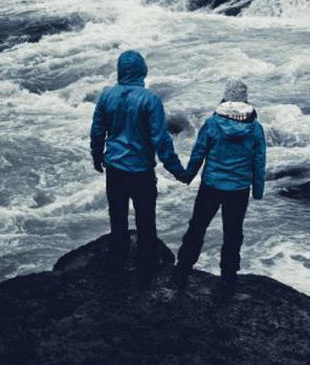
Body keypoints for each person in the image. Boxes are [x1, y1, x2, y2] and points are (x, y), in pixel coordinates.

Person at [90, 50, 186, 278]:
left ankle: (118, 262)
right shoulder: (150, 99)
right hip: (141, 171)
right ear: (142, 70)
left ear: (120, 71)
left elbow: (97, 131)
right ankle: (146, 266)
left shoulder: (106, 96)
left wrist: (96, 156)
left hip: (114, 168)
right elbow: (161, 140)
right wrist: (178, 171)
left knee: (117, 216)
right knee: (145, 219)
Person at [173, 79, 266, 293]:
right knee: (233, 234)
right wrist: (258, 190)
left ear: (225, 98)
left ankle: (182, 269)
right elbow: (259, 161)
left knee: (197, 227)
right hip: (239, 190)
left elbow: (198, 153)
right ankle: (228, 278)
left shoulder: (212, 123)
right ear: (246, 101)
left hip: (211, 186)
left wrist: (188, 175)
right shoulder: (255, 128)